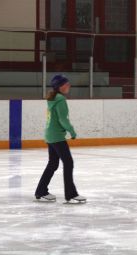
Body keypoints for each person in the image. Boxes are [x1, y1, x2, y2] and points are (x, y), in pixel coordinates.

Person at [35, 74, 86, 203]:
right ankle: (71, 194)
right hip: (57, 136)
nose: (69, 86)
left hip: (50, 135)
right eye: (66, 84)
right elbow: (63, 119)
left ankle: (41, 191)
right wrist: (72, 131)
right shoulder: (60, 99)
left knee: (53, 164)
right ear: (60, 86)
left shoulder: (53, 98)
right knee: (68, 163)